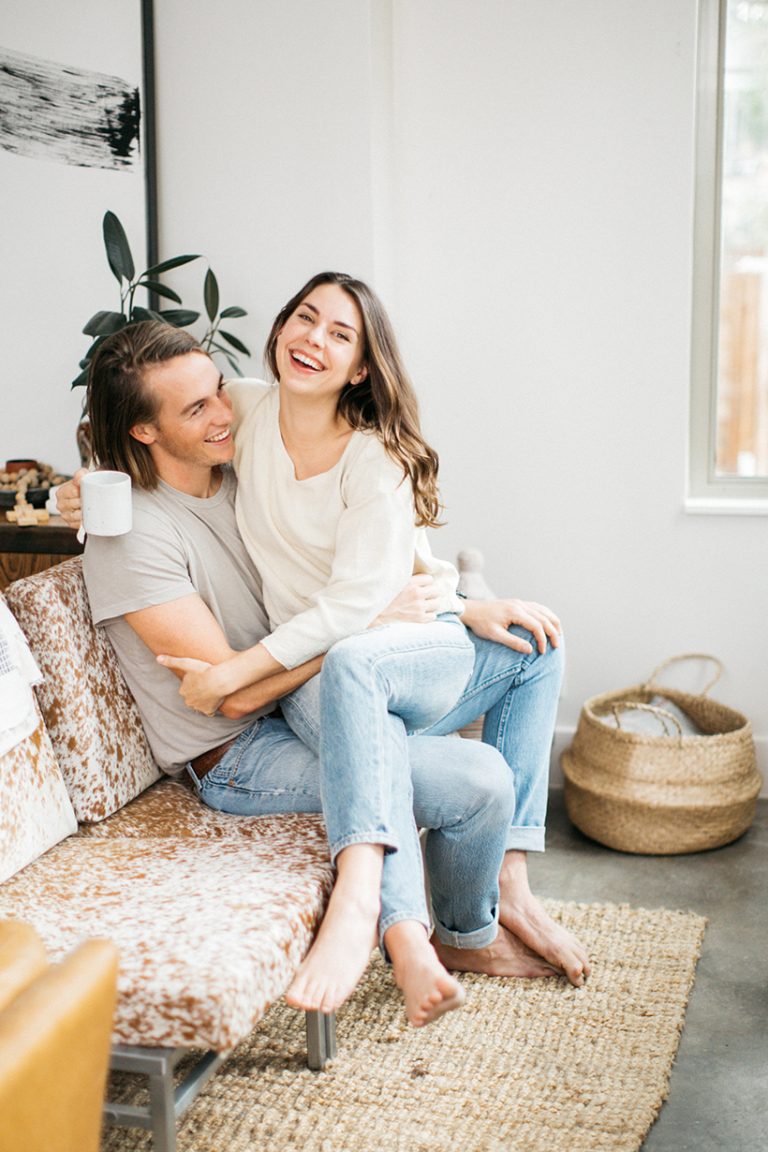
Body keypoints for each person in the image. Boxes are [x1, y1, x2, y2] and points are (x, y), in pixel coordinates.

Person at [60, 318, 589, 1019]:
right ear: (144, 432)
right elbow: (233, 697)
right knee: (476, 780)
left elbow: (349, 563)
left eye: (219, 391)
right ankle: (461, 935)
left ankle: (512, 887)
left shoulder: (241, 467)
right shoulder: (130, 537)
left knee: (529, 645)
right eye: (195, 410)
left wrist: (457, 607)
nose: (224, 416)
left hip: (326, 683)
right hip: (238, 752)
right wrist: (368, 626)